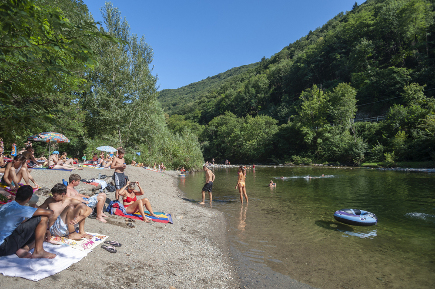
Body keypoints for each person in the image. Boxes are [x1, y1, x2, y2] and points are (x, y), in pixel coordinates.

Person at [0, 185, 56, 259]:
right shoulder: (21, 209)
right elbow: (49, 212)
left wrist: (45, 229)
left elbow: (23, 222)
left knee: (39, 229)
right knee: (43, 217)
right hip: (5, 246)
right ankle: (39, 251)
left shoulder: (7, 205)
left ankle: (24, 248)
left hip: (4, 243)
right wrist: (33, 204)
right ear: (29, 198)